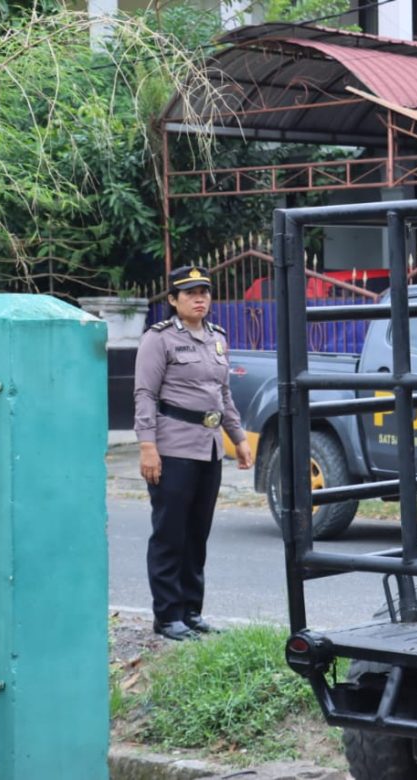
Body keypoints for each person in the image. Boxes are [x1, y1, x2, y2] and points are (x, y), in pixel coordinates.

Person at [133, 265, 254, 640]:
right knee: (170, 534)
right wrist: (147, 446)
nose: (200, 298)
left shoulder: (217, 338)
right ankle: (167, 616)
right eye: (190, 293)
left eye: (204, 291)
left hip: (210, 448)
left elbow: (224, 395)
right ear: (173, 300)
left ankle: (191, 610)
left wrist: (240, 438)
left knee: (197, 534)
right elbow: (145, 395)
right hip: (172, 448)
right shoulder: (160, 339)